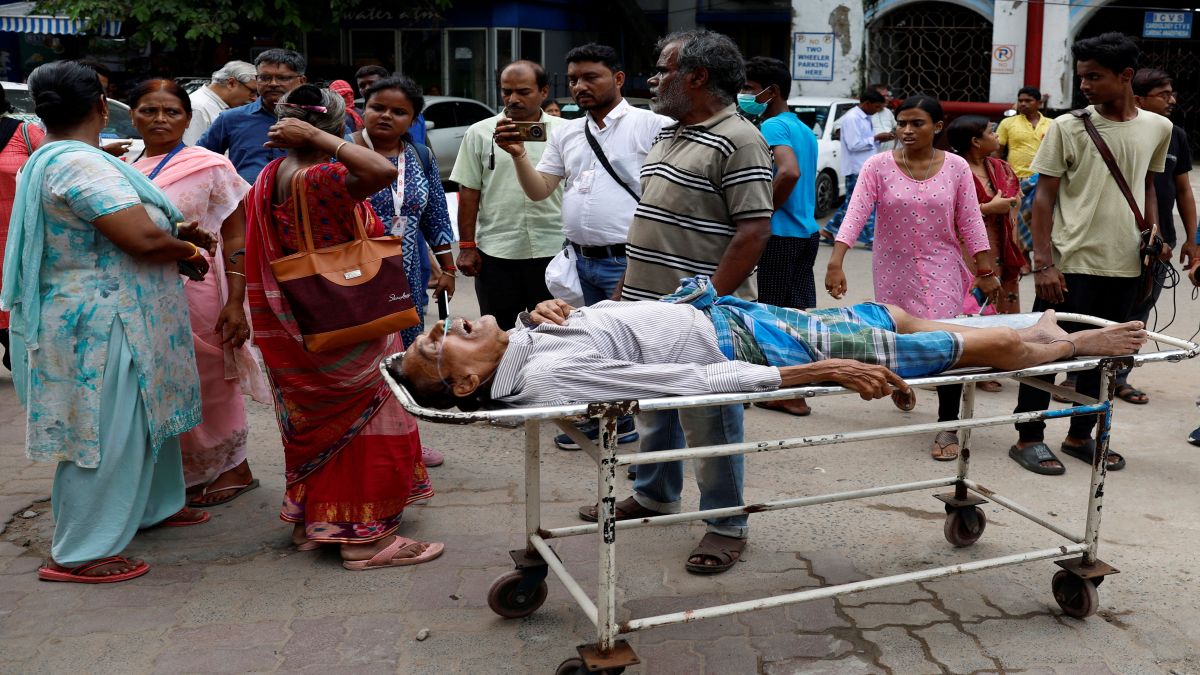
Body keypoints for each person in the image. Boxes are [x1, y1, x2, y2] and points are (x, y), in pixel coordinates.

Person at [2, 61, 216, 583]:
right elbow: (139, 239)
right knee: (104, 431)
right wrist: (185, 245)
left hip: (123, 310)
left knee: (146, 418)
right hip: (100, 322)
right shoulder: (81, 165)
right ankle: (81, 551)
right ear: (102, 106)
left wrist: (174, 234)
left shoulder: (64, 157)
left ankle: (153, 507)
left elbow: (136, 224)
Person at [394, 277, 1147, 415]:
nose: (440, 327)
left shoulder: (529, 342)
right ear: (465, 386)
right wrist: (811, 372)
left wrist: (558, 310)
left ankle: (1030, 329)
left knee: (889, 315)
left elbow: (614, 330)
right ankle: (1051, 346)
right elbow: (688, 383)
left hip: (723, 310)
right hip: (740, 337)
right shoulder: (550, 376)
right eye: (435, 347)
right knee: (931, 350)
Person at [243, 84, 443, 568]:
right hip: (346, 318)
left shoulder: (272, 173)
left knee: (314, 422)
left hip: (301, 318)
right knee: (370, 421)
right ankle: (364, 539)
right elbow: (380, 169)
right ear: (336, 124)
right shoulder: (325, 176)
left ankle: (313, 523)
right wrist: (322, 137)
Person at [608, 30, 773, 575]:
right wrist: (623, 296)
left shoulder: (739, 138)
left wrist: (707, 302)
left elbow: (752, 232)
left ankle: (727, 523)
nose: (653, 79)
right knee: (655, 407)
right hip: (646, 304)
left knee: (711, 418)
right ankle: (654, 493)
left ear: (697, 76)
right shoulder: (670, 134)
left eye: (663, 69)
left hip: (702, 314)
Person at [1008, 32, 1171, 476]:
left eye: (1094, 76)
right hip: (1070, 265)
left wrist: (1153, 235)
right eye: (1081, 77)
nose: (1084, 85)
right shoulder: (1067, 126)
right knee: (1046, 352)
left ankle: (1082, 435)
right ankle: (1028, 436)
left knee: (1104, 359)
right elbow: (1042, 199)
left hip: (1127, 265)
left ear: (1126, 77)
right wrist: (1044, 263)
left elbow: (1149, 186)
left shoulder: (1158, 127)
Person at [500, 43, 669, 451]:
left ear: (618, 79)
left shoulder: (651, 125)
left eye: (590, 77)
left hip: (627, 261)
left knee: (626, 348)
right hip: (580, 262)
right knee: (587, 346)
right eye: (573, 79)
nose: (580, 86)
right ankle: (598, 420)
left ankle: (626, 423)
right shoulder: (570, 131)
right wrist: (520, 155)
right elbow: (540, 191)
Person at [824, 96, 1000, 463]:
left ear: (937, 127)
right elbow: (856, 214)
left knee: (948, 341)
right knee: (899, 336)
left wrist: (985, 272)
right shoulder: (878, 166)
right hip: (893, 268)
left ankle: (947, 423)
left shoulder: (955, 167)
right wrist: (836, 261)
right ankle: (902, 385)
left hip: (942, 267)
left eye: (917, 123)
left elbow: (970, 220)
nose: (906, 131)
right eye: (902, 123)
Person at [128, 78, 272, 507]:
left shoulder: (210, 165)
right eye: (148, 110)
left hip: (202, 288)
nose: (159, 119)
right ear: (132, 115)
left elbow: (235, 236)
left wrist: (235, 302)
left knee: (210, 379)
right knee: (161, 382)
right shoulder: (123, 167)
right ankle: (183, 473)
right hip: (147, 290)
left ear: (188, 119)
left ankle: (234, 467)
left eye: (171, 111)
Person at [352, 74, 456, 470]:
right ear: (363, 109)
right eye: (378, 107)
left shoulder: (420, 157)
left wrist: (447, 269)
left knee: (407, 356)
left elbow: (435, 215)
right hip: (356, 277)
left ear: (412, 119)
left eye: (399, 112)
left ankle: (406, 439)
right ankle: (360, 440)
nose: (386, 116)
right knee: (363, 356)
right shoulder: (341, 154)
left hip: (409, 277)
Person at [450, 60, 565, 331]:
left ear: (544, 91)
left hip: (554, 251)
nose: (513, 99)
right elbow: (468, 191)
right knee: (499, 336)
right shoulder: (479, 132)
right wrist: (466, 247)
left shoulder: (565, 132)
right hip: (497, 255)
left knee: (556, 335)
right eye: (506, 92)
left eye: (523, 92)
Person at [739, 56, 820, 417]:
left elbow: (788, 172)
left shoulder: (772, 127)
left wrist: (761, 212)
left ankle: (782, 390)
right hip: (807, 233)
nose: (742, 95)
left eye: (748, 89)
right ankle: (797, 387)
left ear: (771, 92)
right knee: (796, 314)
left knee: (770, 314)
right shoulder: (802, 128)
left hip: (780, 234)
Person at [1122, 68, 1196, 406]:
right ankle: (1080, 373)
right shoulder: (1121, 132)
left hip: (1159, 241)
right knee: (1105, 306)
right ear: (1138, 98)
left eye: (1171, 93)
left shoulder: (1176, 135)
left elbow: (1183, 189)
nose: (1172, 100)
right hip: (1119, 237)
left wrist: (1191, 239)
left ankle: (1119, 376)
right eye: (1163, 94)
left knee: (1140, 309)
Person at [946, 116, 1024, 316]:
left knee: (1001, 307)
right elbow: (942, 213)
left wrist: (1009, 205)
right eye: (991, 131)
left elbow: (1016, 201)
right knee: (969, 308)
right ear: (976, 141)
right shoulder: (950, 171)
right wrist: (987, 208)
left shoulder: (1001, 168)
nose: (997, 135)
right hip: (966, 252)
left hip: (1001, 247)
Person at [197, 49, 308, 183]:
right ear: (257, 80)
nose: (273, 83)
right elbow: (199, 160)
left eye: (282, 78)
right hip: (245, 201)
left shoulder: (320, 118)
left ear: (302, 81)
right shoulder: (231, 118)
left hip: (302, 200)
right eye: (265, 78)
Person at [0, 86, 45, 371]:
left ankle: (14, 346)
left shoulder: (24, 132)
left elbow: (55, 165)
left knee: (17, 294)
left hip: (16, 234)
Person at [821, 89, 889, 248]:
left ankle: (829, 230)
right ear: (867, 104)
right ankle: (870, 239)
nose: (878, 110)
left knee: (856, 203)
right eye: (877, 107)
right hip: (856, 168)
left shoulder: (865, 117)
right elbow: (854, 144)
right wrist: (876, 138)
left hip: (864, 167)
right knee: (860, 204)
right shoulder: (852, 118)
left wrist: (877, 140)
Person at [997, 86, 1052, 252]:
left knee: (1041, 219)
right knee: (1017, 219)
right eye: (1020, 100)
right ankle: (1024, 259)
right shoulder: (1008, 123)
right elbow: (997, 151)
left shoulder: (1052, 124)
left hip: (1044, 180)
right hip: (1016, 179)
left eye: (1028, 100)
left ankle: (1042, 256)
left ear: (1039, 103)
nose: (1023, 104)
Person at [182, 61, 258, 146]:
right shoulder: (198, 107)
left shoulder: (223, 105)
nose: (255, 99)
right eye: (253, 92)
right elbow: (191, 152)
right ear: (231, 83)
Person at [869, 83, 897, 153]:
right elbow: (839, 127)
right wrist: (876, 138)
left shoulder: (888, 112)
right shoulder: (863, 113)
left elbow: (895, 127)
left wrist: (892, 134)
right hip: (870, 156)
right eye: (884, 96)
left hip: (888, 155)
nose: (887, 98)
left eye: (888, 95)